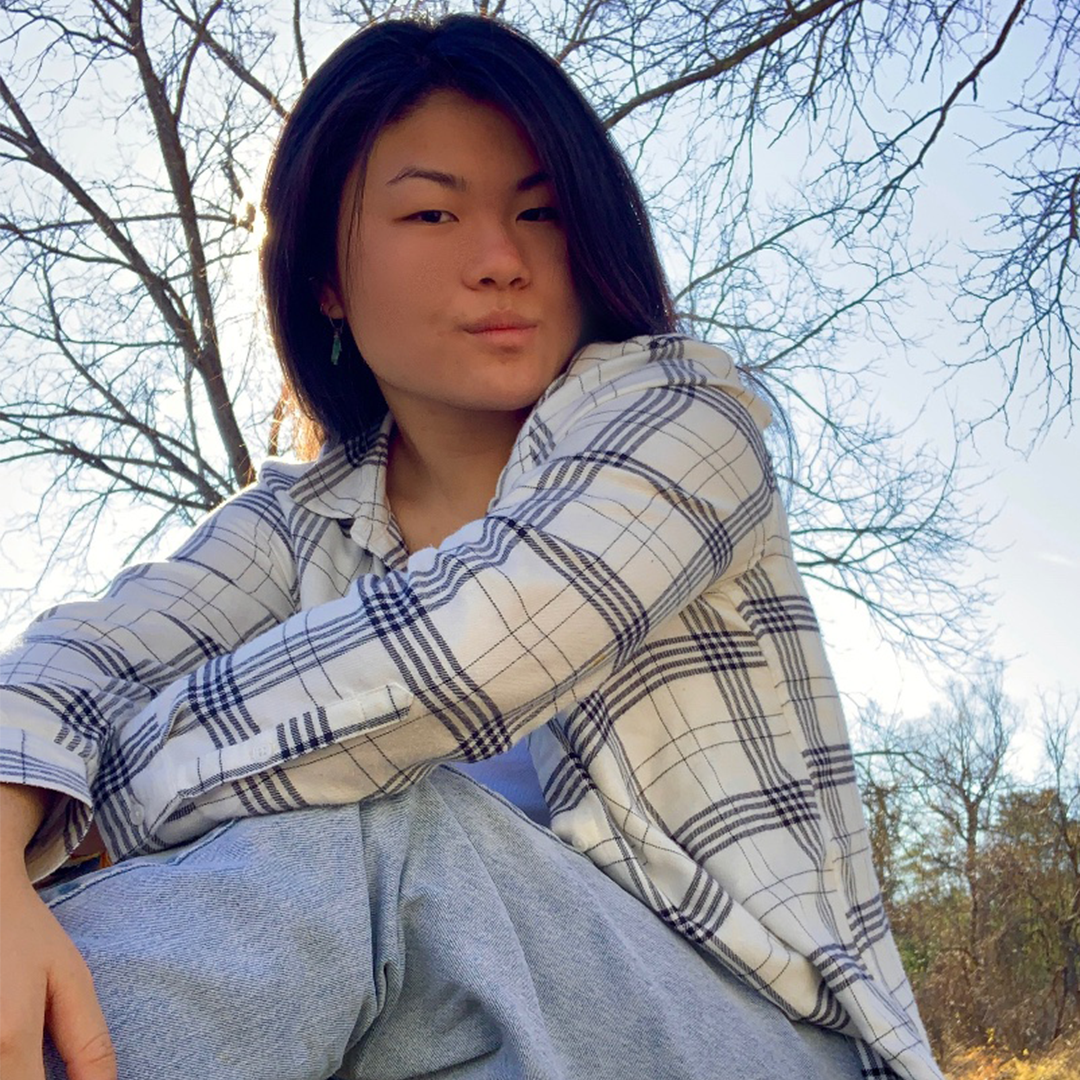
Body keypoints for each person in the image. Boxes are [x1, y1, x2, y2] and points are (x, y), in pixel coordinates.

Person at [0, 14, 943, 1080]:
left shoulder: (681, 421)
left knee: (382, 831)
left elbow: (459, 657)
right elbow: (84, 656)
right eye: (433, 212)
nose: (502, 261)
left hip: (762, 1041)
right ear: (325, 282)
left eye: (540, 212)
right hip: (452, 1039)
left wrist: (100, 813)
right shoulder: (297, 524)